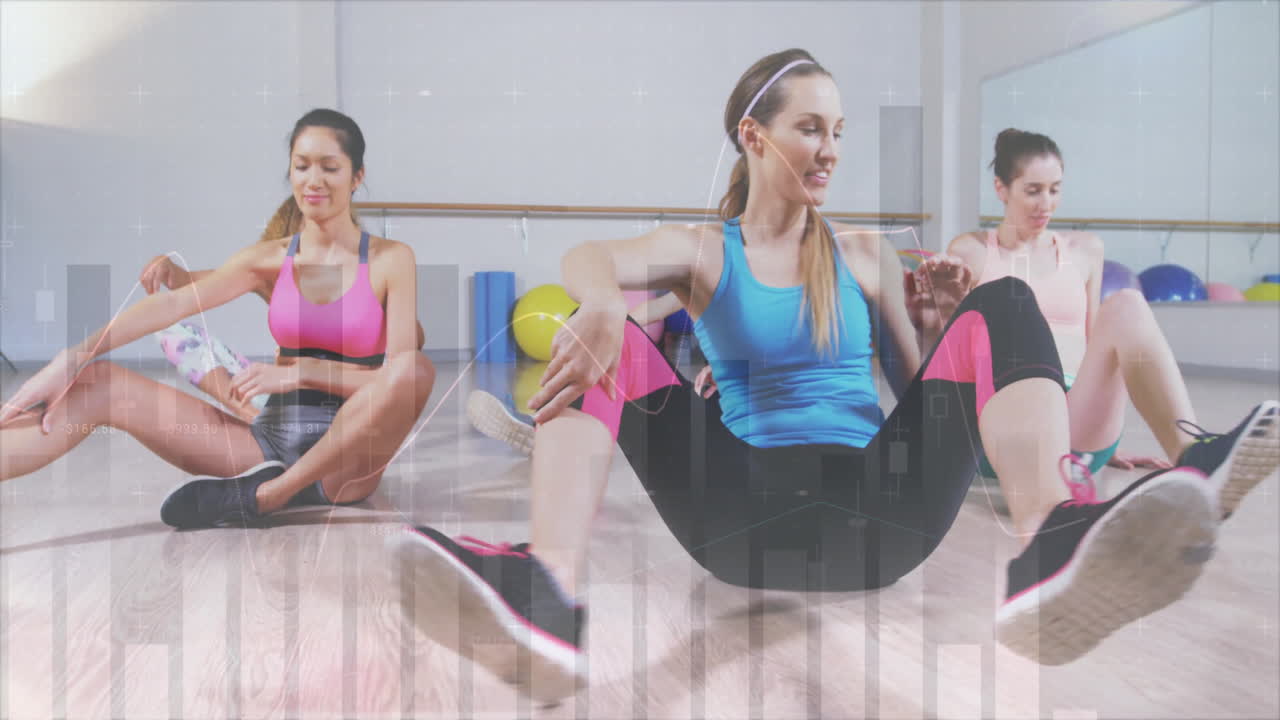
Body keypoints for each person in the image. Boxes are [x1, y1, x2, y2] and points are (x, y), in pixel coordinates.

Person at [387, 50, 1256, 701]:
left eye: (839, 131)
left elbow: (922, 398)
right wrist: (605, 302)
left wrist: (947, 320)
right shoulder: (706, 251)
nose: (831, 148)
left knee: (1004, 300)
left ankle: (1053, 538)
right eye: (811, 127)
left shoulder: (869, 255)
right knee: (591, 326)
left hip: (883, 509)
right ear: (754, 135)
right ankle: (549, 586)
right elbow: (588, 255)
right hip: (738, 510)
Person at [0, 109, 435, 528]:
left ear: (357, 176)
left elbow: (395, 382)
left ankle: (271, 496)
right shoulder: (266, 260)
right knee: (98, 383)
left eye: (330, 167)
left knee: (416, 369)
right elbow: (172, 305)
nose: (313, 180)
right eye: (302, 166)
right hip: (265, 447)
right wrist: (71, 358)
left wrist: (302, 372)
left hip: (344, 467)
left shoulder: (391, 260)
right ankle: (264, 486)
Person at [933, 128, 1279, 514]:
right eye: (1033, 190)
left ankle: (1194, 456)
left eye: (1055, 189)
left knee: (1127, 303)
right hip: (1004, 428)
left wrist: (1103, 429)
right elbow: (952, 355)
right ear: (1001, 189)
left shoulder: (1085, 250)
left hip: (1077, 426)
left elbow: (1095, 344)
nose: (1046, 203)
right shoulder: (973, 252)